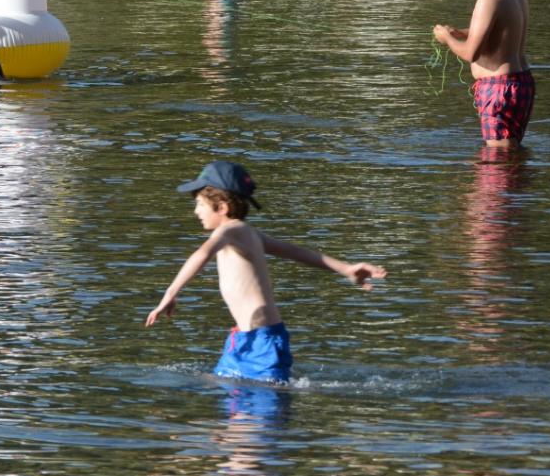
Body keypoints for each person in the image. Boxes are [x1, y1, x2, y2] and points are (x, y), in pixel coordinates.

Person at [144, 160, 387, 383]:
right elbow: (294, 251)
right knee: (226, 404)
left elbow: (201, 254)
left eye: (199, 204)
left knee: (263, 413)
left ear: (222, 207)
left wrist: (170, 293)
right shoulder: (248, 233)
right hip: (245, 339)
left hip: (262, 341)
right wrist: (345, 268)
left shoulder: (229, 232)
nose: (196, 211)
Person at [433, 0, 533, 147]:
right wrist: (460, 32)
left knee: (497, 164)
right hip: (521, 81)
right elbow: (502, 28)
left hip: (499, 90)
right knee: (510, 158)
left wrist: (447, 38)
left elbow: (471, 54)